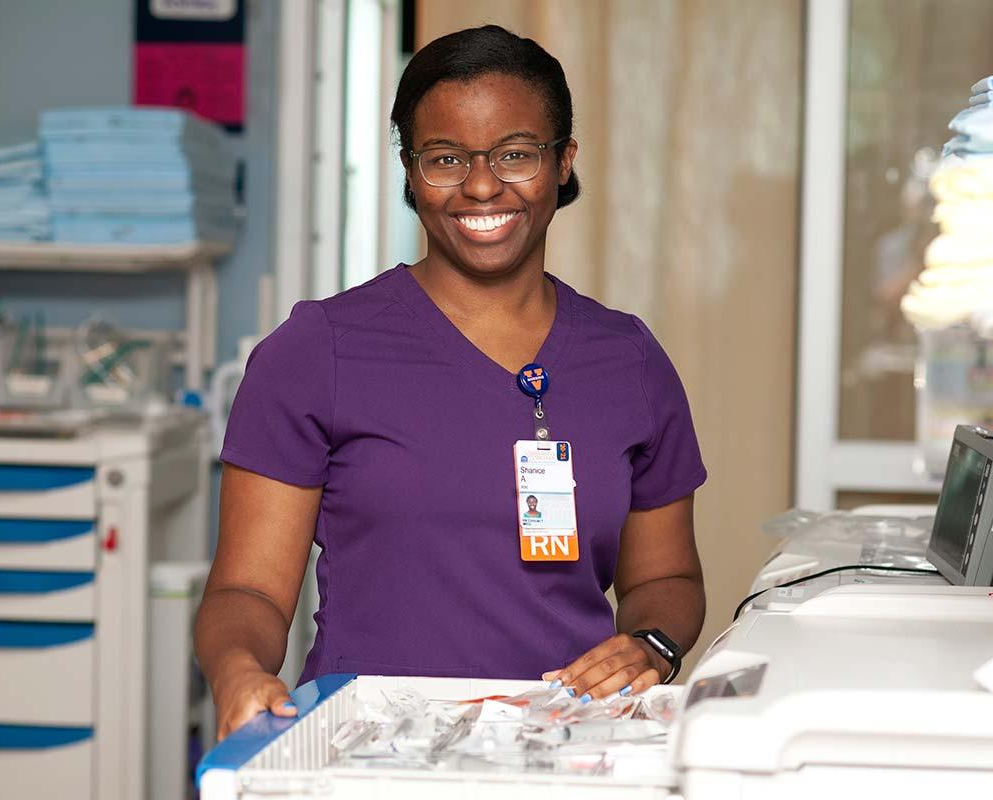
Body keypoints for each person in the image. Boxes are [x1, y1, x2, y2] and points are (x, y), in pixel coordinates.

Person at [196, 24, 707, 740]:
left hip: (563, 747)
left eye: (516, 154)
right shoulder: (318, 351)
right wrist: (239, 671)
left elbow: (666, 582)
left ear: (563, 161)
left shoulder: (630, 361)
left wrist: (651, 644)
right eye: (445, 158)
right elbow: (245, 589)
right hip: (369, 753)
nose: (481, 184)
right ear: (409, 171)